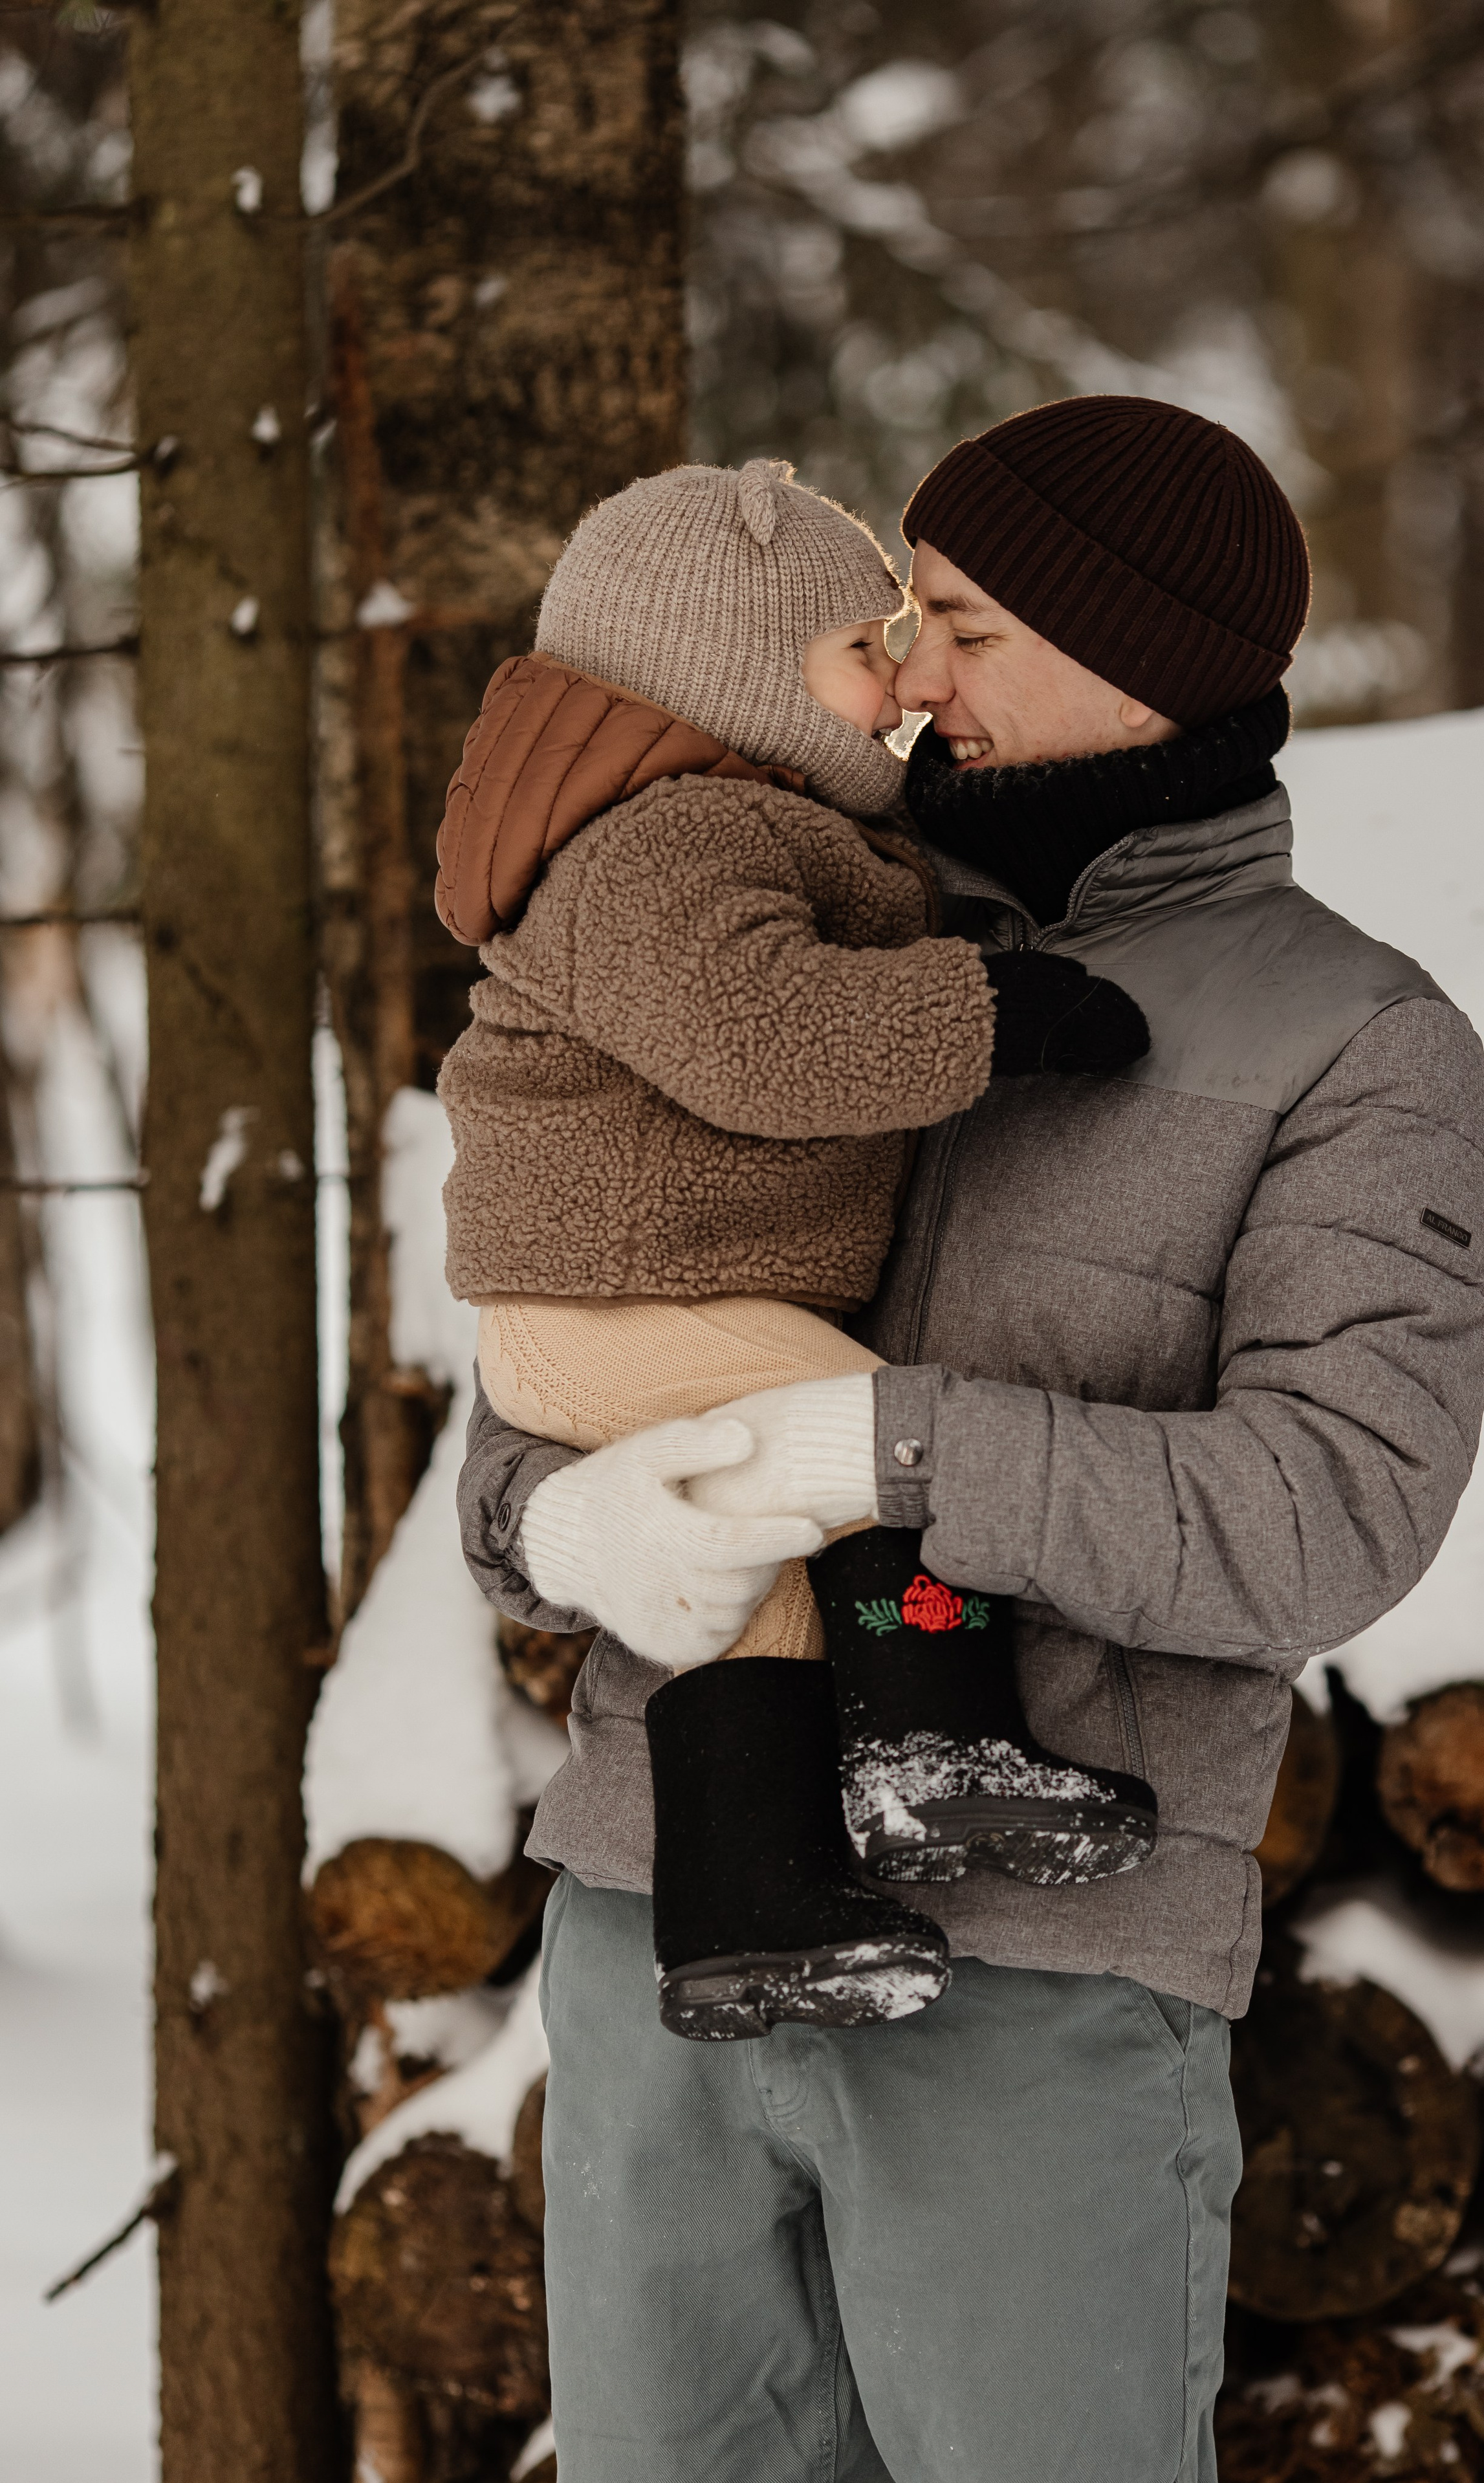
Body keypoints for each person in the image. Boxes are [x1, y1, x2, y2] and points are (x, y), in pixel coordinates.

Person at [457, 397, 1484, 2483]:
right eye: (900, 624)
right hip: (660, 1933)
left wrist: (890, 1446)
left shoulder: (1353, 1044)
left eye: (962, 624)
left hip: (1042, 1990)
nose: (912, 678)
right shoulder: (753, 924)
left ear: (1153, 659)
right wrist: (557, 1530)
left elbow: (1327, 1518)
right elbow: (549, 1355)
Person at [434, 456, 1155, 2044]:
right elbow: (759, 1031)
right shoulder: (665, 844)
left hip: (633, 1290)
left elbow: (790, 970)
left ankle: (749, 1910)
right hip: (615, 1295)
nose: (901, 679)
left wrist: (931, 944)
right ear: (730, 671)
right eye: (860, 646)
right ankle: (930, 1749)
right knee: (874, 1438)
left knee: (735, 1578)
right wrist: (988, 1012)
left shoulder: (725, 833)